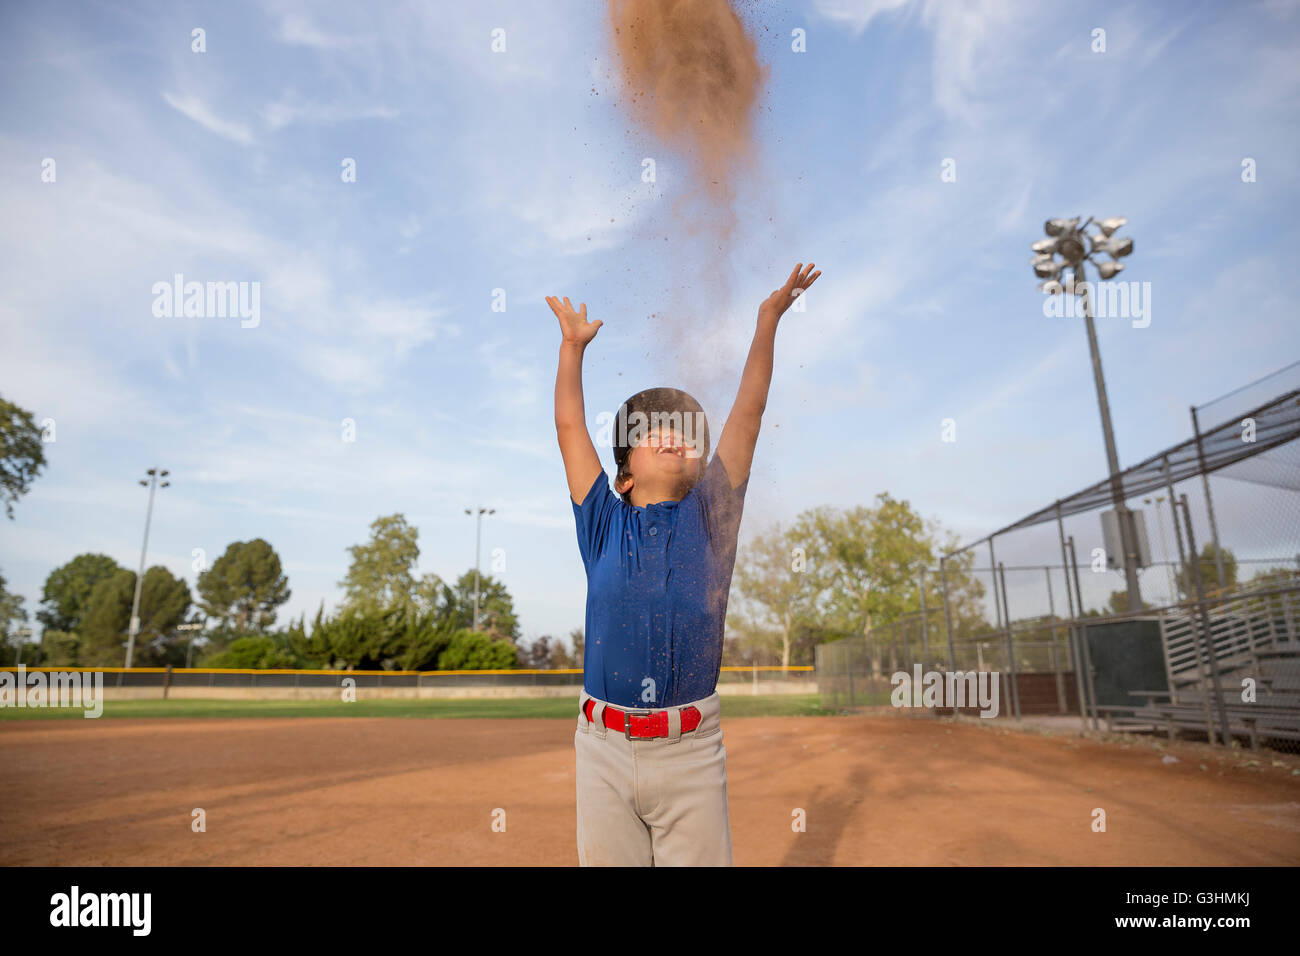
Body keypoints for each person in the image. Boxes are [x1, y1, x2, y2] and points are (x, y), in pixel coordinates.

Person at [547, 262, 822, 866]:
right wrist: (572, 350)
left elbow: (747, 414)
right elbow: (569, 424)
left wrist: (767, 322)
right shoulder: (602, 521)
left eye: (684, 433)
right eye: (652, 431)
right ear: (622, 474)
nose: (673, 436)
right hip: (602, 750)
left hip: (691, 750)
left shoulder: (711, 519)